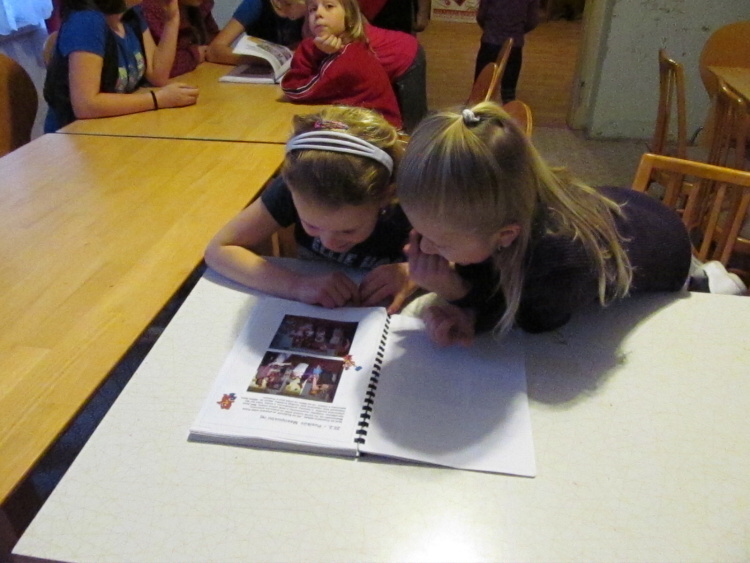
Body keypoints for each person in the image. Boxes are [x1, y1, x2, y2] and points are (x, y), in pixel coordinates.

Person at [397, 102, 692, 346]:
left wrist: (458, 293)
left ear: (505, 235)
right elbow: (488, 272)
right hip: (627, 208)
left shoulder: (562, 256)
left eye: (441, 242)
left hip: (669, 255)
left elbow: (534, 319)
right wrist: (464, 293)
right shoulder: (499, 215)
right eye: (421, 232)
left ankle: (703, 278)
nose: (424, 247)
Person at [204, 105, 415, 312]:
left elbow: (439, 260)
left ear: (385, 197)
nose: (329, 243)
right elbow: (218, 250)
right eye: (312, 225)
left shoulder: (411, 201)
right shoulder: (298, 186)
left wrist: (414, 273)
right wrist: (296, 285)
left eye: (348, 231)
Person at [43, 0, 199, 132]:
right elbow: (86, 105)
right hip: (76, 136)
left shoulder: (130, 14)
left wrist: (172, 19)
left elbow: (157, 74)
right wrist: (157, 99)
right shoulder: (86, 20)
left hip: (115, 127)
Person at [281, 0, 402, 129]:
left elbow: (294, 89)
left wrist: (315, 51)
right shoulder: (340, 46)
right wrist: (317, 50)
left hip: (380, 131)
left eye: (329, 6)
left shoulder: (349, 57)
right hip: (362, 123)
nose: (318, 14)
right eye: (312, 9)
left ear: (349, 16)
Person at [473, 0, 539, 103]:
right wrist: (518, 32)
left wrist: (489, 29)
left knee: (481, 87)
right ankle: (507, 109)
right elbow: (532, 21)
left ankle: (478, 109)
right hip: (514, 44)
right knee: (509, 92)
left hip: (490, 41)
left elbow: (481, 16)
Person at [206, 0, 306, 66]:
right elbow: (213, 50)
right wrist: (259, 60)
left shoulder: (310, 5)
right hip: (262, 74)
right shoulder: (255, 3)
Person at [141, 0, 219, 77]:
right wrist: (196, 54)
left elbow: (214, 43)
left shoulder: (199, 5)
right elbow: (161, 67)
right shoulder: (149, 9)